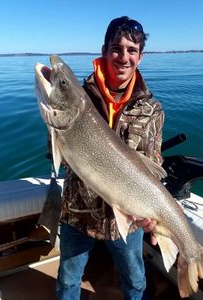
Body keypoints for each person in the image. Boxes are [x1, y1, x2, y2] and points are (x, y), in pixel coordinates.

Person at [56, 16, 164, 300]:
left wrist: (149, 213)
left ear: (140, 57)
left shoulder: (152, 110)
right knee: (68, 283)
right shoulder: (79, 99)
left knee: (136, 282)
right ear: (104, 51)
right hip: (77, 215)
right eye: (117, 48)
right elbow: (59, 157)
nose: (123, 56)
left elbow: (153, 163)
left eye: (132, 50)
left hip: (124, 222)